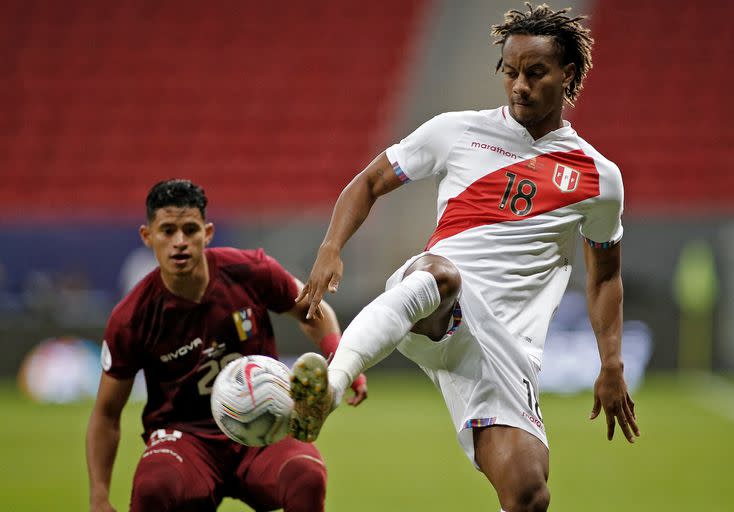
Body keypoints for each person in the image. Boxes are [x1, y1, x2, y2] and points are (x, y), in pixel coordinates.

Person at [289, 4, 640, 512]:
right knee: (442, 272)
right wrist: (330, 249)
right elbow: (368, 183)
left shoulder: (598, 178)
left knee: (529, 493)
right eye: (510, 71)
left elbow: (605, 277)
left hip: (503, 348)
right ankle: (331, 387)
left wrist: (611, 364)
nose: (519, 85)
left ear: (567, 75)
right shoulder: (455, 131)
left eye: (535, 73)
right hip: (432, 302)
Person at [86, 179, 367, 512]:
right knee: (153, 488)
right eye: (167, 231)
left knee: (306, 475)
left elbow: (312, 310)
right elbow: (106, 414)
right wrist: (99, 496)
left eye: (190, 230)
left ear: (207, 233)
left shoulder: (250, 270)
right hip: (186, 439)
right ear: (148, 237)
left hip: (265, 424)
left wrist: (341, 363)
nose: (179, 242)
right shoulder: (132, 317)